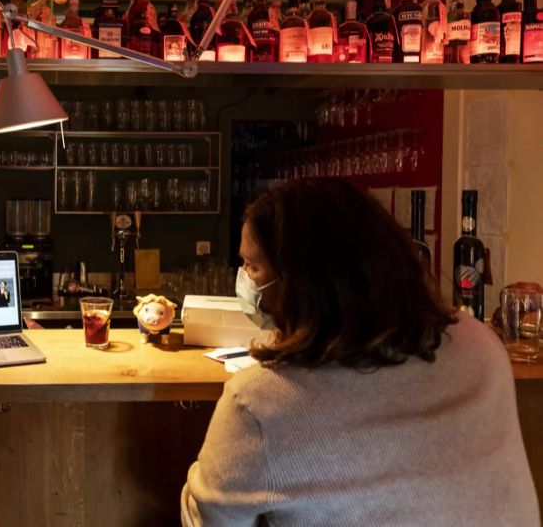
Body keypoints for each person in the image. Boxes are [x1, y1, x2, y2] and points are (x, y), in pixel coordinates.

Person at [181, 178, 539, 527]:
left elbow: (207, 520)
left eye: (253, 267)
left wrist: (206, 471)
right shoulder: (482, 346)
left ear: (303, 283)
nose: (243, 277)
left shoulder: (259, 401)